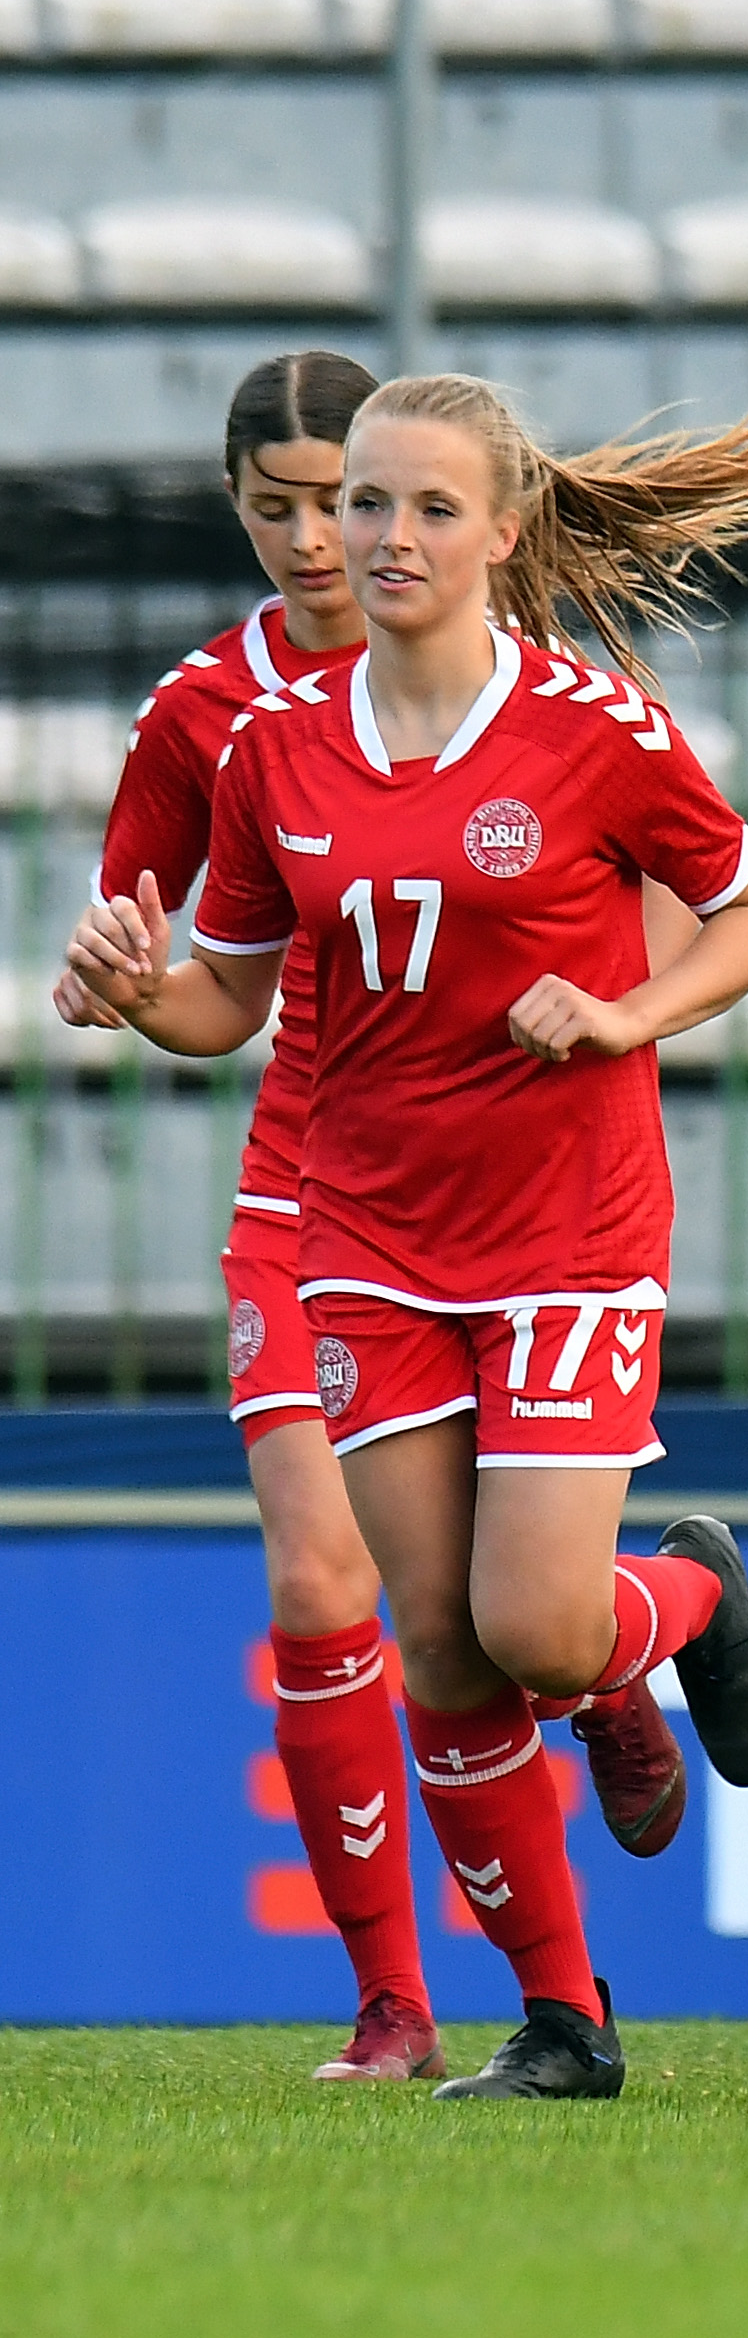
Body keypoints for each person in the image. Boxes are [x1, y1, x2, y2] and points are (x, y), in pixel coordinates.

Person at [70, 371, 748, 2100]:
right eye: (361, 505)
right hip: (363, 1231)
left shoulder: (592, 727)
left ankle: (689, 1594)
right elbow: (226, 999)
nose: (376, 536)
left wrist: (628, 1012)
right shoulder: (269, 743)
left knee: (541, 1628)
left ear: (502, 530)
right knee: (437, 1639)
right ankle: (562, 2019)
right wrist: (133, 993)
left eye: (425, 507)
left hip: (565, 1225)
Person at [46, 353, 445, 2078]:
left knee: (494, 1609)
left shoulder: (503, 674)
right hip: (308, 1178)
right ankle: (390, 2004)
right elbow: (188, 981)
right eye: (274, 507)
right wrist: (116, 979)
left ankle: (645, 1636)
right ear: (237, 507)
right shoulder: (204, 715)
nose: (312, 539)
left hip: (500, 1189)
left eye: (335, 501)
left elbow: (660, 897)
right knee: (316, 1573)